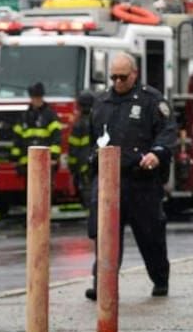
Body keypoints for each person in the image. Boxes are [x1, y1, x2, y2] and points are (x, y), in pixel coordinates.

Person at [85, 54, 177, 299]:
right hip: (109, 180)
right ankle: (103, 284)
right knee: (105, 236)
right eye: (113, 77)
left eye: (122, 77)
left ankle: (160, 279)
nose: (117, 82)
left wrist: (157, 154)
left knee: (151, 236)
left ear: (134, 75)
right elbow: (92, 137)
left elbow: (167, 132)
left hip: (141, 182)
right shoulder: (102, 102)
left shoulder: (151, 101)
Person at [11, 82, 62, 176]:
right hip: (28, 163)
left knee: (45, 185)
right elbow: (17, 139)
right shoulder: (25, 116)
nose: (36, 100)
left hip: (45, 162)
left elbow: (56, 137)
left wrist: (54, 157)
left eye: (38, 97)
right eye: (34, 97)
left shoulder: (50, 115)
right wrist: (16, 159)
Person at [67, 89, 97, 208]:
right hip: (97, 164)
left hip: (84, 167)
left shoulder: (78, 124)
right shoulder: (99, 121)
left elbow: (73, 149)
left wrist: (72, 167)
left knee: (88, 194)